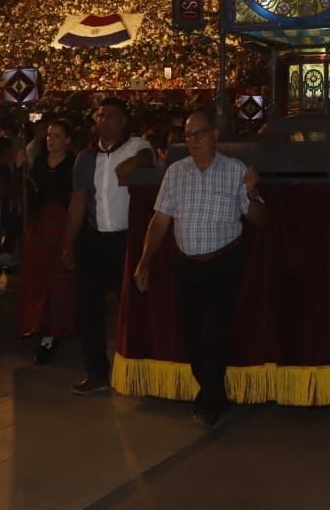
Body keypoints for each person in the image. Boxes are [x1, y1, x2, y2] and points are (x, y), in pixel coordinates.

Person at [132, 108, 264, 428]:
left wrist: (251, 193)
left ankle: (210, 401)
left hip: (223, 263)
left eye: (199, 134)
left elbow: (259, 221)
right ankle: (210, 390)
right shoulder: (176, 173)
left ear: (215, 135)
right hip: (186, 265)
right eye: (188, 135)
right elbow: (160, 220)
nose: (193, 141)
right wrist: (144, 260)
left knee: (214, 333)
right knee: (191, 336)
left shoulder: (236, 171)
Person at [62, 96, 155, 395]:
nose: (104, 120)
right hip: (93, 239)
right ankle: (96, 373)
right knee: (89, 308)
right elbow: (78, 202)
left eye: (111, 116)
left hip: (126, 239)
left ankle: (140, 369)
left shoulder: (136, 146)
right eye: (100, 116)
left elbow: (148, 155)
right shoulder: (85, 158)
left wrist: (134, 162)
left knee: (133, 306)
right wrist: (68, 244)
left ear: (124, 120)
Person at [18, 118, 77, 362]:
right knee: (39, 278)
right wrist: (21, 170)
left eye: (57, 135)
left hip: (63, 227)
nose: (51, 139)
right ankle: (39, 325)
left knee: (59, 280)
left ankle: (53, 332)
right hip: (42, 228)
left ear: (68, 140)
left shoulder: (73, 165)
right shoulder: (40, 163)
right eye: (49, 135)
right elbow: (31, 195)